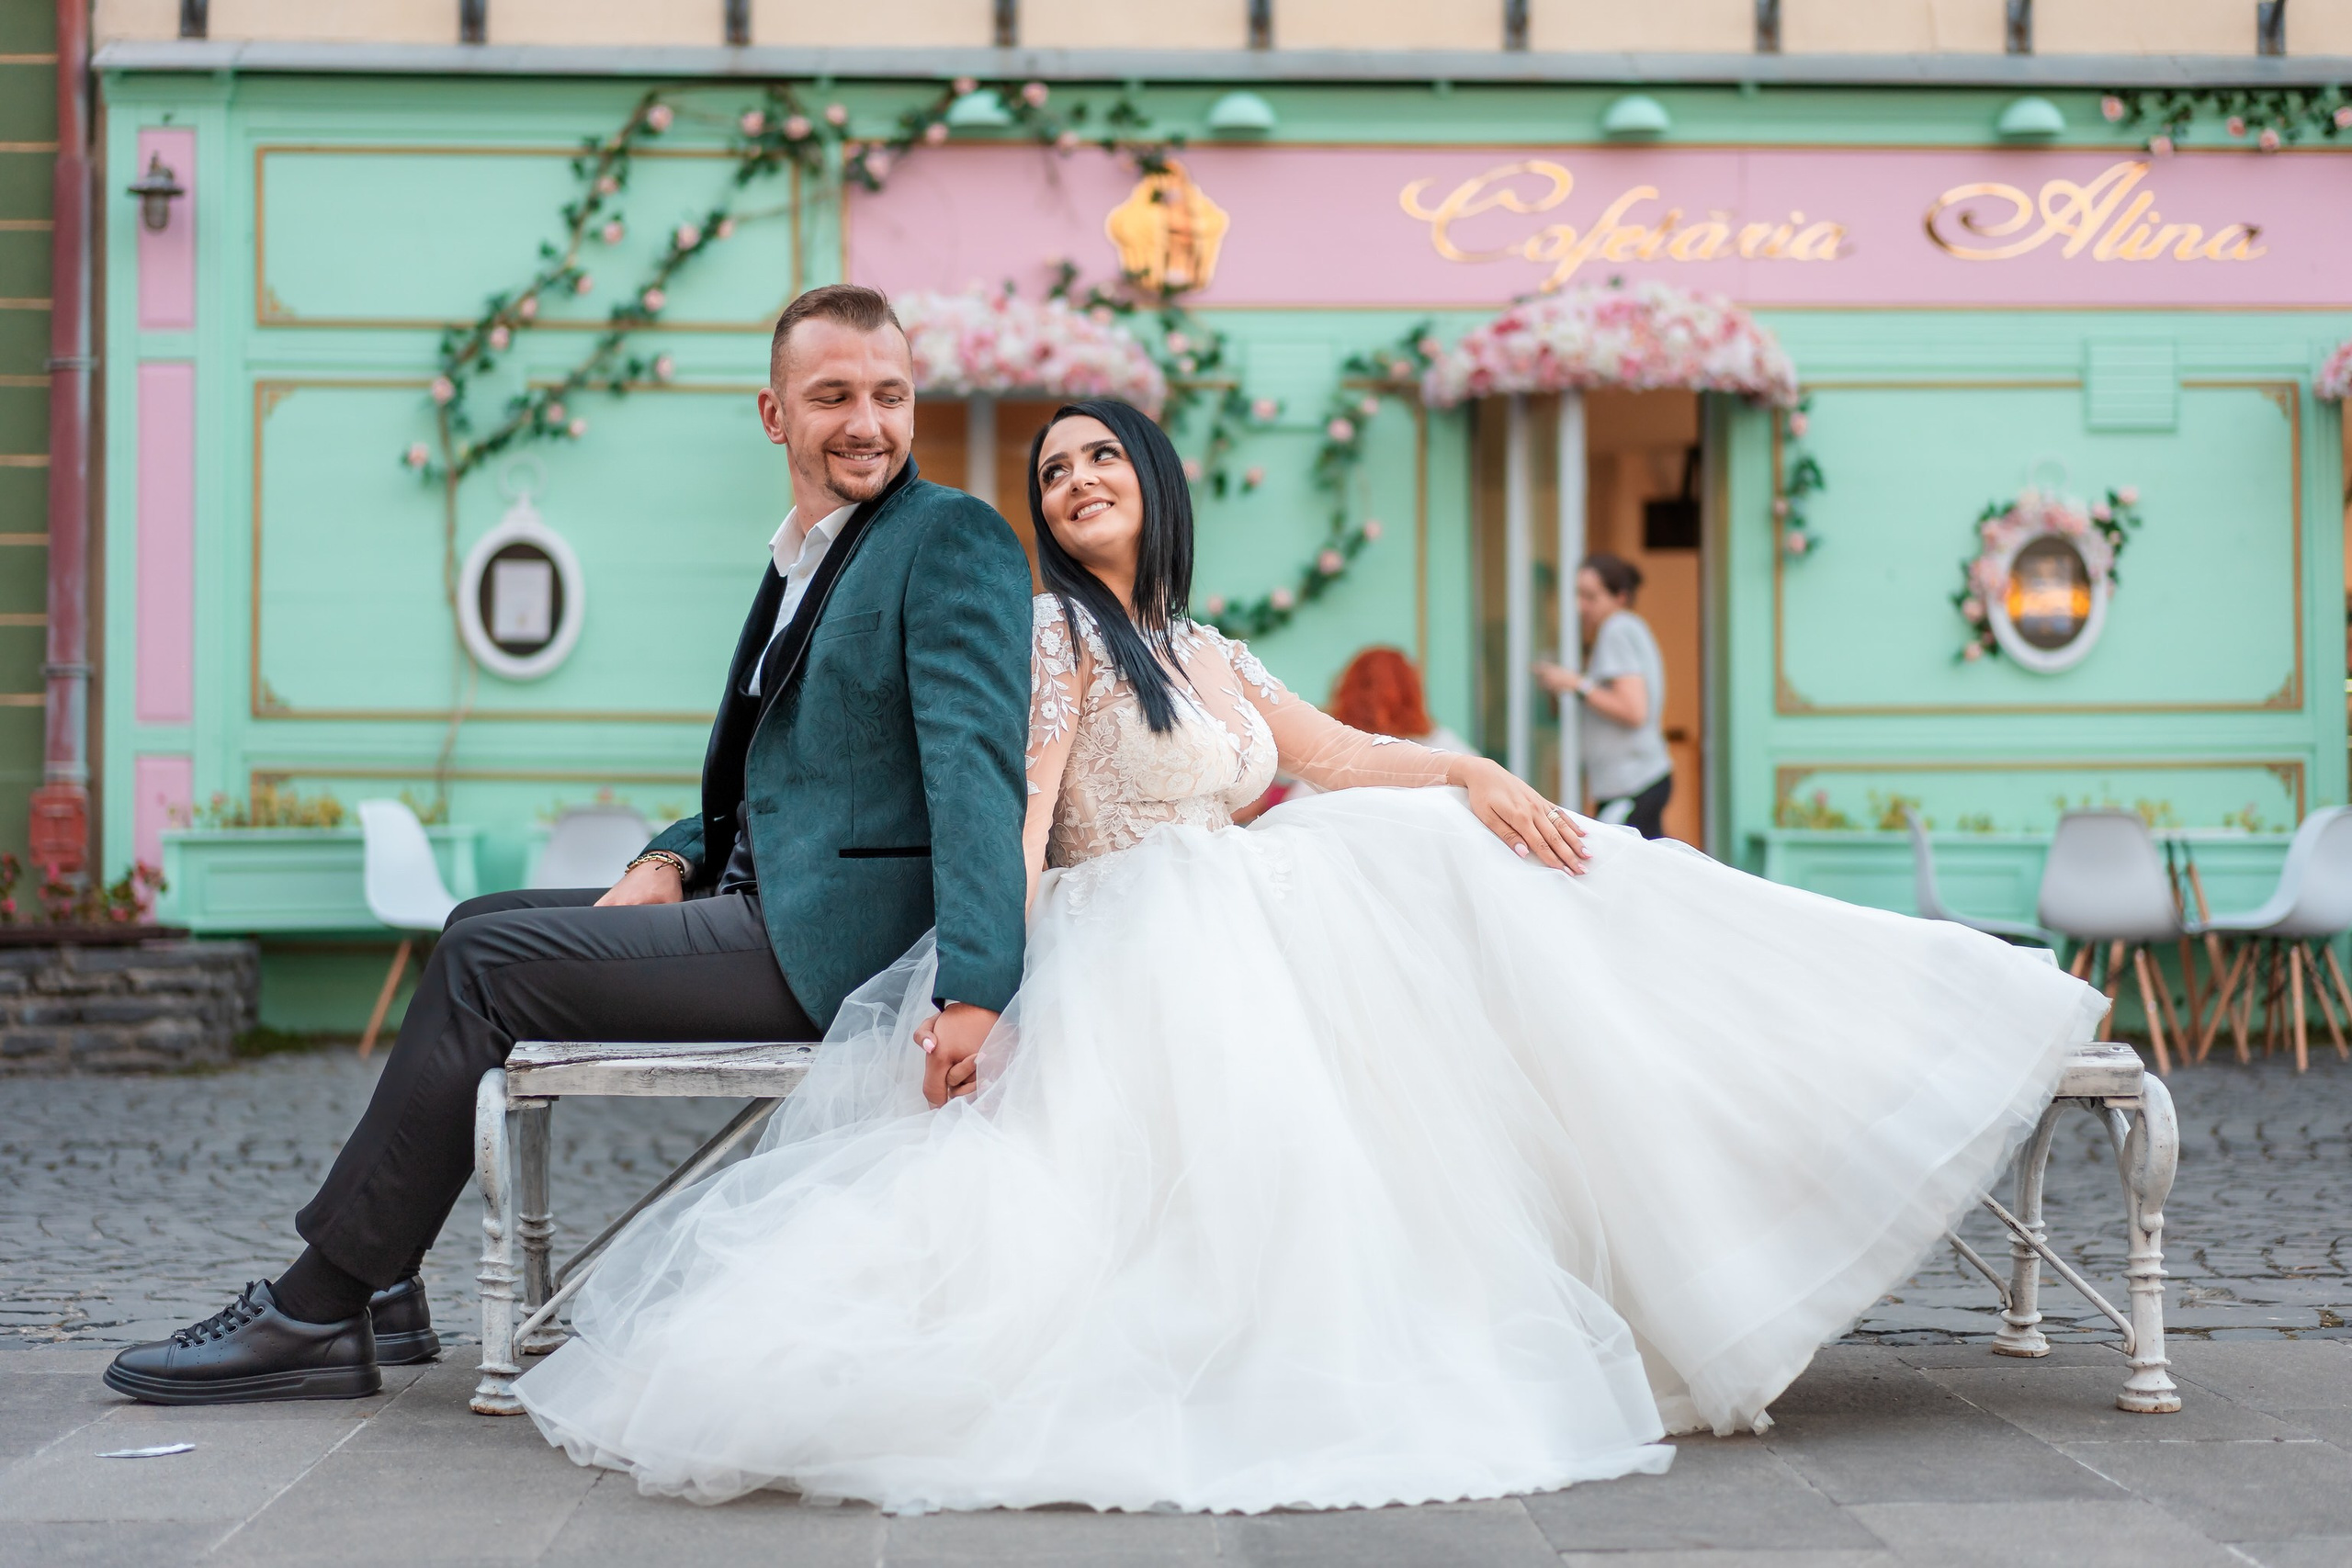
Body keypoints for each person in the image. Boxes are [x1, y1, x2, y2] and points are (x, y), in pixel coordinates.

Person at [512, 400, 2106, 1513]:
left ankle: (1819, 1050)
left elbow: (1331, 757)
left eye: (1099, 459)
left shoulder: (1204, 651)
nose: (1073, 480)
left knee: (1502, 858)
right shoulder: (1054, 636)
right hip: (1142, 936)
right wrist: (979, 989)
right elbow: (1014, 816)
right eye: (1052, 470)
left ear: (1152, 481)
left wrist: (1476, 770)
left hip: (1253, 909)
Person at [99, 284, 1035, 1405]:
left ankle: (318, 1306)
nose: (867, 422)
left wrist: (978, 986)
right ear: (774, 414)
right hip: (764, 899)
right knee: (473, 925)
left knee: (487, 972)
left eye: (889, 394)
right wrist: (668, 856)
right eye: (832, 394)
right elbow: (788, 776)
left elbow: (975, 769)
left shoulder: (948, 539)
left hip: (840, 948)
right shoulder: (808, 555)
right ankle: (390, 1286)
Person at [1536, 554, 1672, 839]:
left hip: (1632, 783)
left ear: (1620, 597)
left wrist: (1576, 684)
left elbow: (1634, 711)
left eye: (1590, 596)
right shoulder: (1630, 627)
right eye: (1577, 594)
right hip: (1638, 779)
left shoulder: (1617, 629)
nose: (1580, 606)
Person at [1274, 647, 1466, 806]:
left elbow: (1298, 805)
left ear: (1347, 690)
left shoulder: (1334, 749)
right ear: (1412, 692)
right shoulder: (1442, 744)